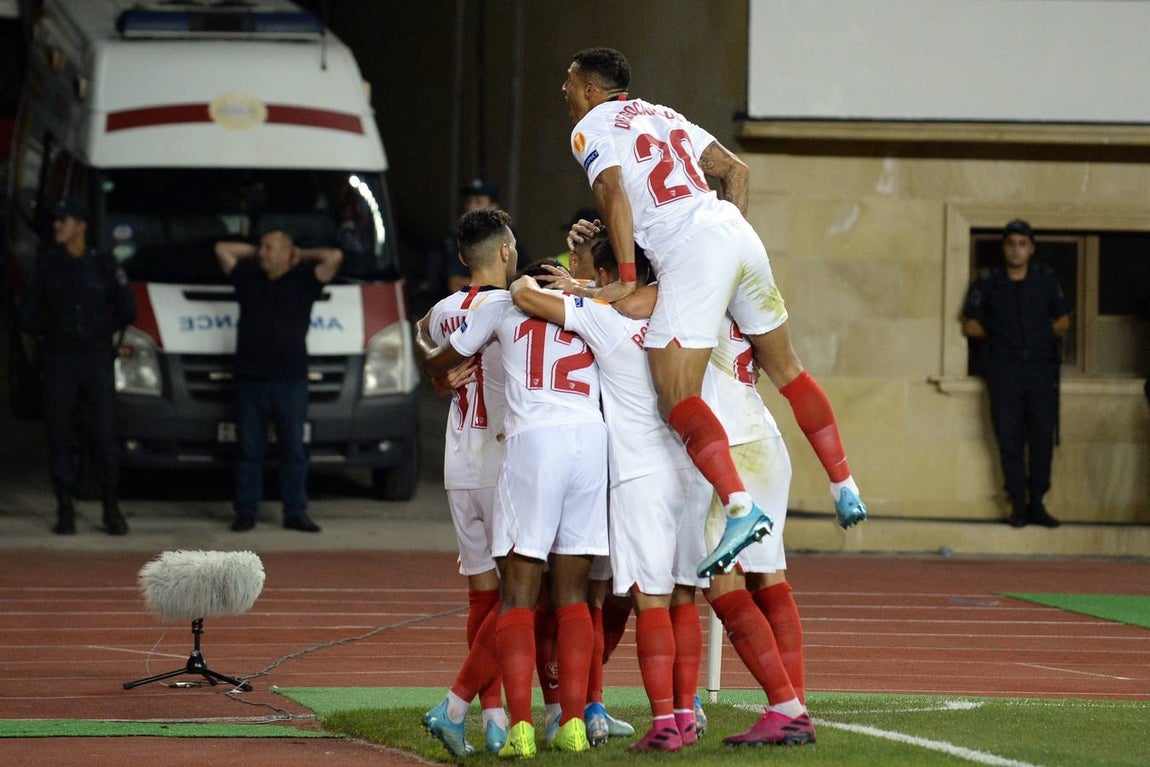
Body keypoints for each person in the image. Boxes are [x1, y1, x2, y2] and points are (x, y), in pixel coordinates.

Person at [560, 47, 867, 579]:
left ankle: (739, 508)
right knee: (786, 368)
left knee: (673, 392)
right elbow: (735, 171)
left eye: (567, 82)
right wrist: (730, 245)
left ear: (590, 89)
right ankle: (844, 485)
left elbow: (612, 190)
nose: (563, 91)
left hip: (694, 251)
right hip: (737, 235)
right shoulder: (665, 113)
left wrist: (628, 275)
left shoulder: (590, 126)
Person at [511, 240, 711, 752]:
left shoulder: (604, 320)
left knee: (648, 598)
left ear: (612, 274)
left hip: (638, 473)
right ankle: (688, 712)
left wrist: (578, 290)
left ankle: (665, 722)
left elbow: (528, 298)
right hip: (694, 465)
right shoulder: (681, 311)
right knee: (686, 595)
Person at [420, 246, 608, 758]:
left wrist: (433, 367)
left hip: (530, 443)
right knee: (571, 594)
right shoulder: (591, 309)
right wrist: (590, 285)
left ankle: (515, 726)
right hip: (592, 444)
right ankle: (571, 722)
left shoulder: (503, 306)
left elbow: (444, 355)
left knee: (517, 596)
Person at [415, 208, 515, 758]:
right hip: (504, 464)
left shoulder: (446, 307)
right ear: (504, 251)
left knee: (484, 595)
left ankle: (494, 716)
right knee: (523, 596)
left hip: (460, 464)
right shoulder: (511, 304)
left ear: (460, 258)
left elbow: (420, 333)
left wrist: (434, 375)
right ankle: (460, 707)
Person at [18, 195, 136, 536]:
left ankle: (111, 509)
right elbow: (27, 312)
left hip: (95, 359)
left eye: (64, 220)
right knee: (58, 434)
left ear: (81, 226)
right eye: (56, 220)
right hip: (59, 360)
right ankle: (65, 509)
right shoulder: (46, 264)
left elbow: (126, 308)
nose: (57, 225)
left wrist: (100, 335)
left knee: (103, 434)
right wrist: (50, 336)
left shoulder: (102, 264)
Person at [214, 230, 343, 533]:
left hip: (290, 380)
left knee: (293, 451)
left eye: (269, 248)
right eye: (261, 247)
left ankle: (295, 512)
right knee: (249, 450)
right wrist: (257, 251)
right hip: (251, 379)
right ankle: (246, 512)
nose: (262, 253)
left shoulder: (305, 279)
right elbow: (222, 248)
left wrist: (302, 252)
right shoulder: (247, 276)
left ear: (287, 253)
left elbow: (334, 256)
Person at [962, 219, 1070, 528]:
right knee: (1008, 439)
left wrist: (1038, 335)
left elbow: (1063, 319)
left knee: (1041, 438)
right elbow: (970, 323)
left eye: (1022, 244)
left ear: (1031, 248)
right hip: (1004, 369)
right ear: (1004, 247)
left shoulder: (1045, 280)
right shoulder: (988, 281)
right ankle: (1018, 505)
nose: (1016, 250)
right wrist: (1000, 338)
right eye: (1011, 243)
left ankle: (1037, 502)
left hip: (1039, 369)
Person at [423, 178, 506, 297]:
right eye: (469, 201)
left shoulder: (506, 234)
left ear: (494, 206)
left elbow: (525, 273)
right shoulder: (458, 237)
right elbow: (455, 284)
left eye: (478, 202)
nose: (471, 206)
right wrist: (503, 286)